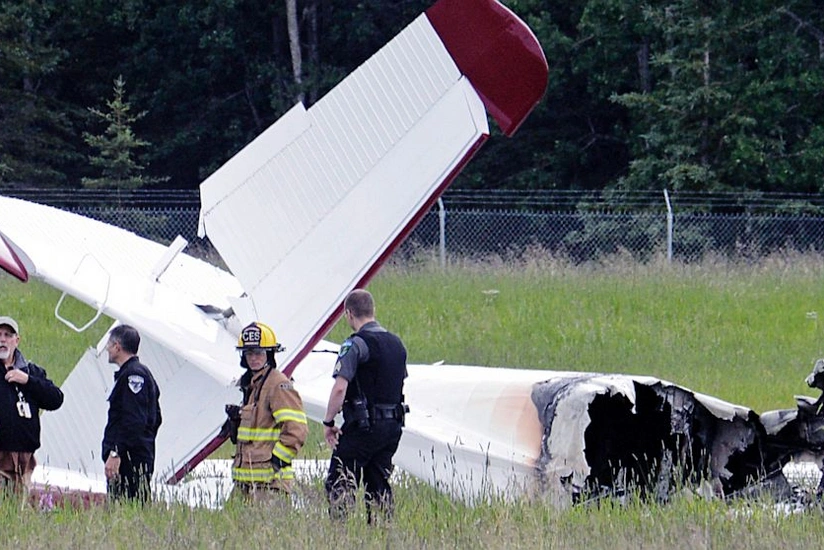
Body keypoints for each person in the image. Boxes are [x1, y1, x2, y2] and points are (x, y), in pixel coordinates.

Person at [322, 289, 408, 523]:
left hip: (364, 426)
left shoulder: (355, 344)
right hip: (392, 428)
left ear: (349, 314)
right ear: (373, 311)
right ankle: (382, 535)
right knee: (378, 484)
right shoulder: (397, 344)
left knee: (340, 481)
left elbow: (340, 388)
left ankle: (340, 536)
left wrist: (329, 422)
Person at [228, 321, 308, 503]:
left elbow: (296, 429)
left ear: (269, 355)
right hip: (245, 482)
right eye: (249, 353)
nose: (253, 358)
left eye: (259, 353)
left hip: (270, 485)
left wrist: (277, 461)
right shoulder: (251, 386)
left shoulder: (278, 385)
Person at [0, 316, 64, 494]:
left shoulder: (31, 371)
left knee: (16, 514)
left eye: (7, 335)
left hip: (24, 461)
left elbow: (56, 399)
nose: (2, 340)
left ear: (16, 340)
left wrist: (27, 381)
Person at [102, 324, 162, 503]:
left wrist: (116, 453)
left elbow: (134, 421)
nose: (107, 349)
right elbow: (156, 418)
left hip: (129, 461)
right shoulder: (136, 374)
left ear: (117, 347)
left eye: (109, 345)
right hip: (134, 456)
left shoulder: (133, 376)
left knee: (127, 508)